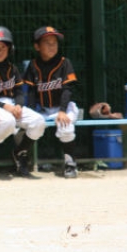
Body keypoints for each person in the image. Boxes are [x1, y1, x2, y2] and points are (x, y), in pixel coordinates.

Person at [0, 26, 46, 177]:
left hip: (11, 105)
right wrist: (5, 106)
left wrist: (19, 105)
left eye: (3, 47)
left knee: (38, 121)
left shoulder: (12, 68)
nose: (0, 50)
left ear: (10, 49)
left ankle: (20, 152)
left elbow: (19, 92)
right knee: (7, 121)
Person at [22, 26, 80, 179]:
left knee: (66, 126)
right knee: (32, 124)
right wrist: (31, 113)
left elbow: (67, 90)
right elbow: (31, 92)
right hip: (44, 109)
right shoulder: (33, 65)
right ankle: (23, 158)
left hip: (65, 107)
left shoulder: (64, 63)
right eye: (47, 42)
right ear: (37, 46)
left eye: (54, 42)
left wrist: (62, 110)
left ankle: (70, 163)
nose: (52, 46)